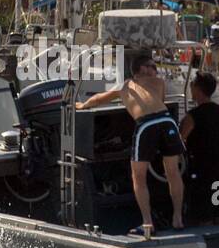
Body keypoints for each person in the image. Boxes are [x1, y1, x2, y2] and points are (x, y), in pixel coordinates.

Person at [76, 54, 185, 233]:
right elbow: (160, 101)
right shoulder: (159, 83)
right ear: (142, 69)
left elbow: (99, 99)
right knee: (173, 172)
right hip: (167, 121)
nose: (154, 70)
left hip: (147, 124)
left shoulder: (125, 85)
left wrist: (82, 105)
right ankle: (178, 218)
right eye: (152, 66)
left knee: (138, 177)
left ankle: (147, 224)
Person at [180, 72, 219, 225]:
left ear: (197, 89)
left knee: (202, 220)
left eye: (191, 85)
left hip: (202, 179)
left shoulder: (192, 117)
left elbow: (178, 141)